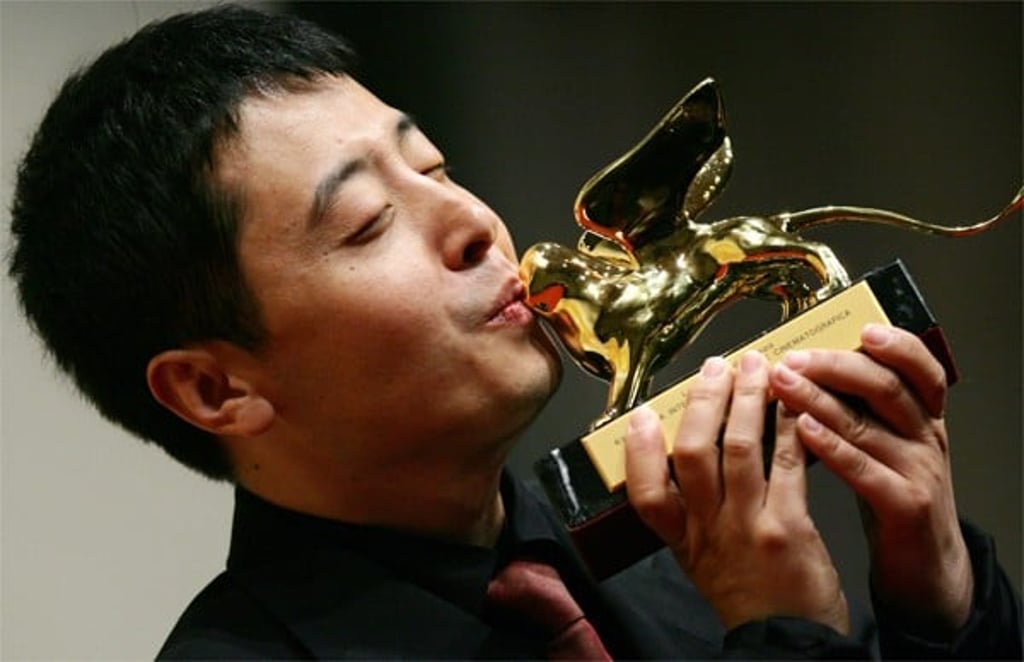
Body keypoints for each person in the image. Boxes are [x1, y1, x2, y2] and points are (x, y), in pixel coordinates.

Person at [7, 5, 1020, 659]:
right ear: (215, 389)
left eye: (436, 167)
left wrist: (937, 606)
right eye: (366, 222)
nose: (474, 224)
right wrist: (785, 636)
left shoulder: (643, 540)